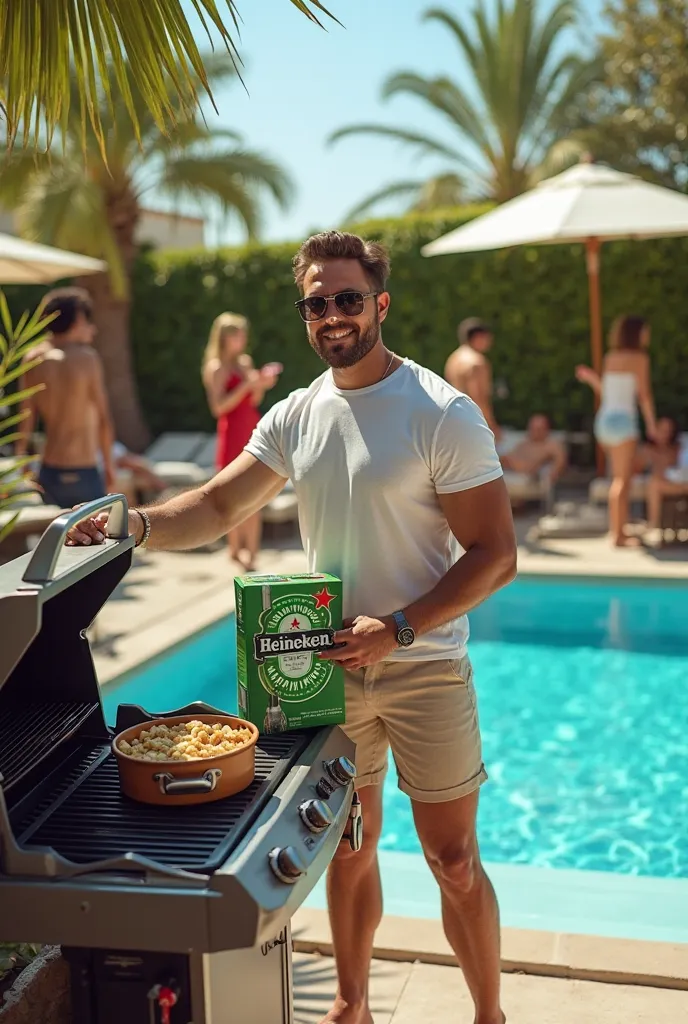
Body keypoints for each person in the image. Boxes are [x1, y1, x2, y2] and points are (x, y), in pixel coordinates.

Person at [67, 230, 516, 1024]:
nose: (333, 315)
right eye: (318, 303)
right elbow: (213, 507)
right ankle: (352, 1007)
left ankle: (489, 1015)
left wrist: (400, 628)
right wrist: (131, 524)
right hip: (324, 669)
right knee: (347, 845)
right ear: (305, 316)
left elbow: (495, 556)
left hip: (424, 663)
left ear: (379, 304)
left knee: (452, 858)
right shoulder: (296, 415)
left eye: (348, 299)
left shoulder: (441, 411)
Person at [15, 287, 115, 507]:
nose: (93, 328)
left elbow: (25, 418)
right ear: (78, 319)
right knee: (95, 538)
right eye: (88, 320)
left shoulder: (32, 359)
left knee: (54, 538)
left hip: (49, 469)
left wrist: (22, 461)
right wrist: (109, 465)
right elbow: (103, 419)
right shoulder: (87, 359)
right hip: (85, 469)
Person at [201, 312, 281, 571]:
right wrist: (247, 385)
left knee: (255, 494)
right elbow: (219, 407)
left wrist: (262, 384)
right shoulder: (216, 368)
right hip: (231, 431)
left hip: (251, 428)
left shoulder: (245, 362)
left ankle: (252, 554)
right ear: (224, 338)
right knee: (231, 495)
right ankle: (234, 550)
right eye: (237, 335)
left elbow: (254, 399)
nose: (242, 339)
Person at [576, 315, 657, 548]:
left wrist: (592, 379)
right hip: (623, 421)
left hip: (604, 420)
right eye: (644, 331)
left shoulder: (611, 357)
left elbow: (607, 390)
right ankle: (618, 534)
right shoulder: (639, 358)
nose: (647, 336)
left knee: (619, 478)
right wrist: (651, 424)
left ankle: (620, 528)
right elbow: (644, 394)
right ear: (636, 333)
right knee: (623, 481)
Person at [444, 317, 501, 439]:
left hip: (451, 420)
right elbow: (479, 397)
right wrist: (492, 426)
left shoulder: (453, 359)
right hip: (472, 423)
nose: (490, 342)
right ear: (478, 337)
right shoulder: (477, 363)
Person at [500, 414, 567, 481]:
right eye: (532, 428)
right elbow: (509, 457)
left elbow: (560, 461)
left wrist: (553, 472)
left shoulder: (551, 445)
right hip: (514, 477)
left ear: (546, 429)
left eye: (538, 429)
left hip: (533, 479)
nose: (534, 432)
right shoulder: (524, 444)